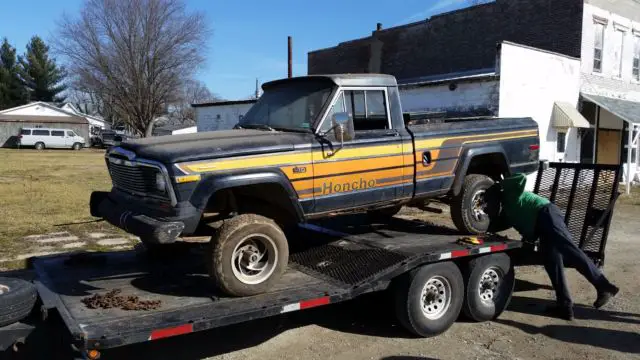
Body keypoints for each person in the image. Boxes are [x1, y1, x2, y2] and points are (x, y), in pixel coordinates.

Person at [489, 173, 619, 320]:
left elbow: (520, 178)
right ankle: (565, 307)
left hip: (547, 214)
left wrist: (499, 185)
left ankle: (604, 286)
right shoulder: (507, 214)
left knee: (571, 251)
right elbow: (494, 225)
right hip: (542, 226)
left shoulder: (510, 195)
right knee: (552, 263)